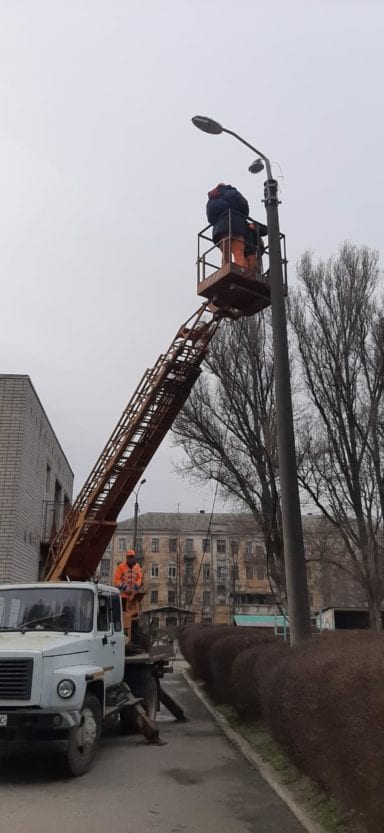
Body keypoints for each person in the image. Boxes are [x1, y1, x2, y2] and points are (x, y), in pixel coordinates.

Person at [206, 183, 249, 268]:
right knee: (238, 251)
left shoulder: (212, 197)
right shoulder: (233, 193)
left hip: (221, 230)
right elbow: (245, 207)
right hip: (238, 227)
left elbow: (210, 218)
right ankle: (240, 270)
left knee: (225, 252)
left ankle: (224, 268)